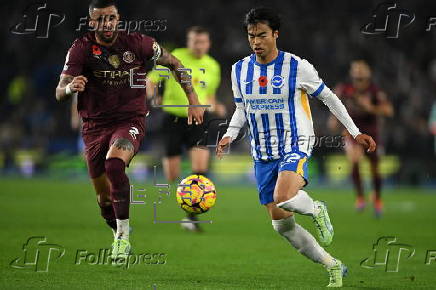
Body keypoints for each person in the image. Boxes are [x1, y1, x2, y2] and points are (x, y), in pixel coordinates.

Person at [216, 8, 376, 287]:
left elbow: (329, 98)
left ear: (276, 34)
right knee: (283, 225)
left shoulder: (297, 66)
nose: (256, 41)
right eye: (251, 36)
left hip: (295, 141)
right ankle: (333, 265)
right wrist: (230, 133)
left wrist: (355, 131)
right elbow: (242, 107)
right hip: (263, 152)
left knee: (284, 195)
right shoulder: (239, 70)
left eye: (262, 35)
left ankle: (316, 208)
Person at [55, 0, 204, 261]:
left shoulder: (139, 44)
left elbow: (176, 64)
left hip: (129, 120)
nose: (107, 23)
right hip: (94, 126)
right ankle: (117, 229)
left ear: (118, 18)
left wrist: (193, 100)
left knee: (115, 164)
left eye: (111, 18)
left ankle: (123, 238)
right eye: (100, 19)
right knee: (103, 199)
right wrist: (70, 88)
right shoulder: (80, 49)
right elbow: (60, 91)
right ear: (92, 22)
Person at [146, 26, 223, 232]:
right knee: (172, 175)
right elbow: (150, 81)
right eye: (195, 41)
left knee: (200, 169)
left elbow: (209, 95)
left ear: (208, 43)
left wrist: (216, 105)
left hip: (198, 121)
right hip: (172, 120)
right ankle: (186, 192)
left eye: (203, 42)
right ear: (188, 42)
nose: (199, 46)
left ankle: (191, 217)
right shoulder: (175, 57)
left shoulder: (213, 66)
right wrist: (153, 97)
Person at [329, 60, 393, 216]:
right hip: (353, 133)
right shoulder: (344, 90)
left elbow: (389, 111)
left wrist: (370, 108)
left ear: (368, 74)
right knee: (355, 158)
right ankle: (360, 197)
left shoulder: (375, 91)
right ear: (352, 74)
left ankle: (377, 199)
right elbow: (336, 104)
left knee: (374, 168)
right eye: (355, 71)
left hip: (372, 134)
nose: (358, 75)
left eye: (361, 72)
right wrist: (333, 119)